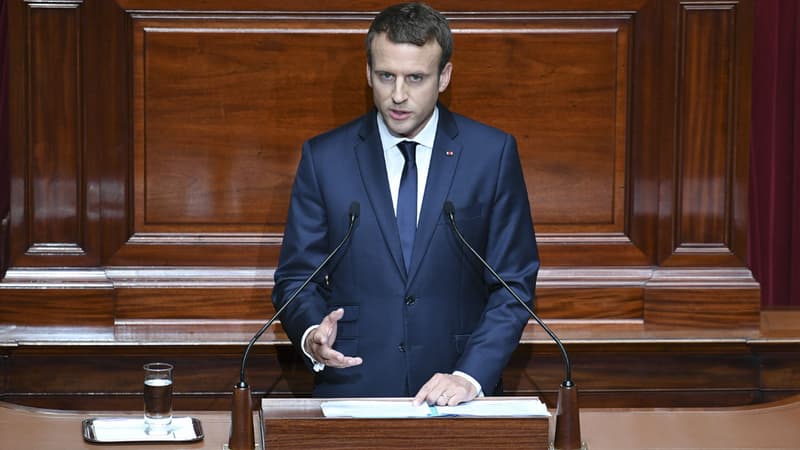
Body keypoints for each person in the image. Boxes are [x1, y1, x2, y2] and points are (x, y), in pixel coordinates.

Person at [272, 2, 539, 407]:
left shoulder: (492, 154)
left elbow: (512, 286)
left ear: (444, 76)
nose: (398, 95)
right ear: (368, 73)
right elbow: (296, 280)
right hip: (354, 388)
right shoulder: (324, 158)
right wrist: (312, 334)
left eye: (415, 78)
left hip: (458, 394)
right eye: (386, 76)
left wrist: (470, 376)